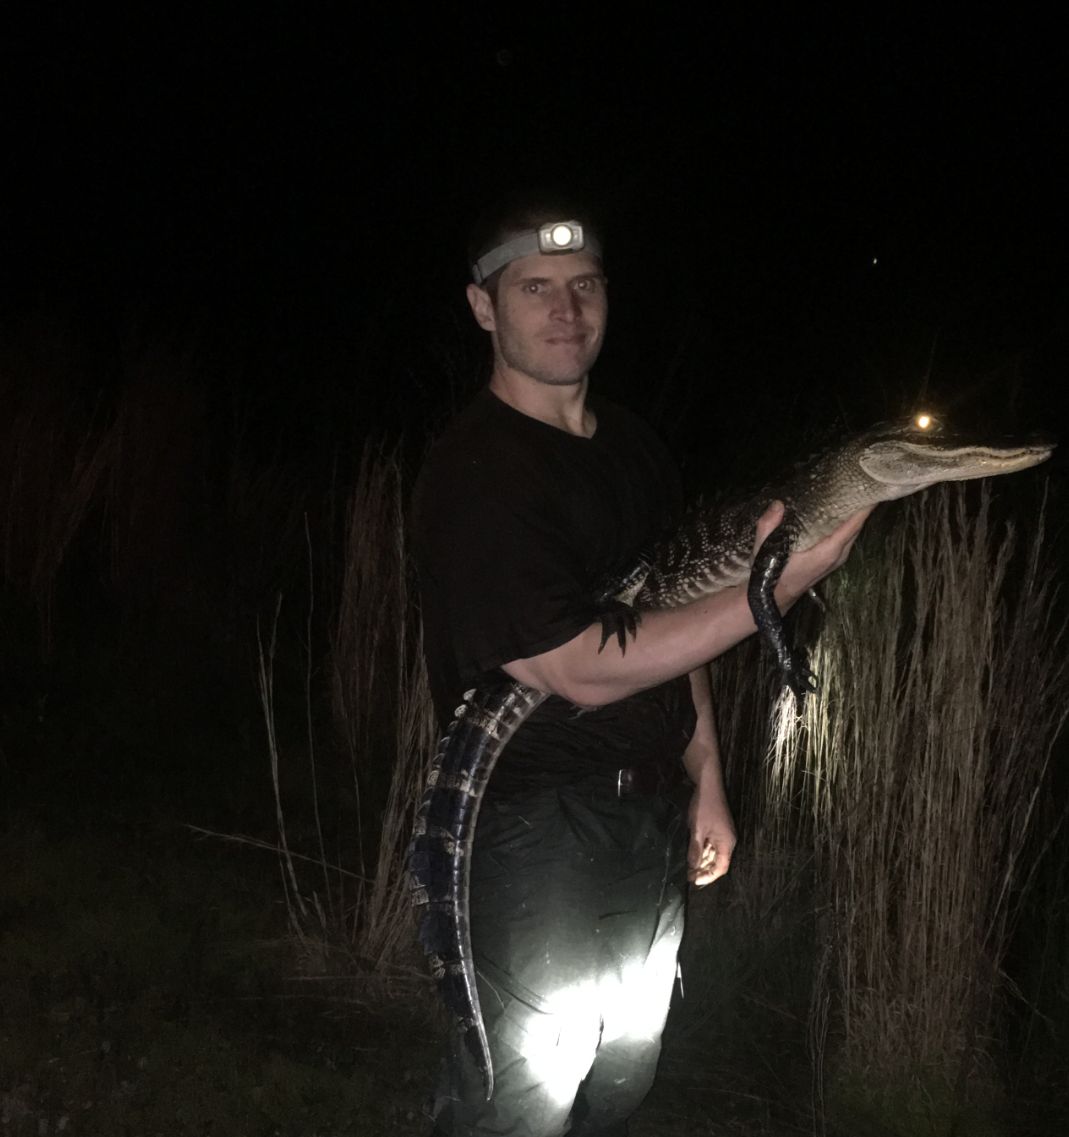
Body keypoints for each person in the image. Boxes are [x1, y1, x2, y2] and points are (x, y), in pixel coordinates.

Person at [412, 196, 869, 1137]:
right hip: (531, 822)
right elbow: (577, 667)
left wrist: (706, 774)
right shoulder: (480, 472)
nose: (566, 309)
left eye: (584, 286)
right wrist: (772, 594)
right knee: (517, 1100)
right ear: (483, 307)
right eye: (535, 288)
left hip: (646, 815)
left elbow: (663, 624)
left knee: (621, 1073)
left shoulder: (634, 449)